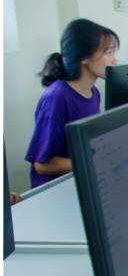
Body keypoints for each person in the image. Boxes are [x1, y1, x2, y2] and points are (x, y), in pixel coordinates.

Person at [25, 19, 119, 188]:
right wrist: (92, 163)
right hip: (55, 190)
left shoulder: (93, 92)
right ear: (83, 56)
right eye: (108, 53)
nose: (114, 61)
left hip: (80, 180)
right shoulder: (57, 97)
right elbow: (42, 165)